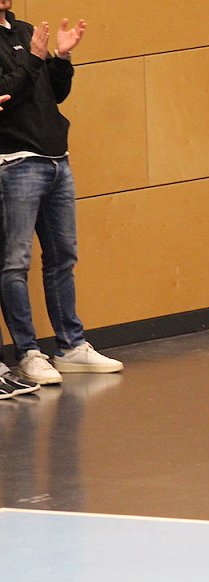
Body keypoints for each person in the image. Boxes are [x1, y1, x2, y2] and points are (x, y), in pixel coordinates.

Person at [0, 10, 124, 385]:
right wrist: (35, 58)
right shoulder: (27, 46)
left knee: (62, 257)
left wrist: (61, 59)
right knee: (14, 263)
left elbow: (55, 94)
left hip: (56, 159)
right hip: (15, 162)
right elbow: (6, 94)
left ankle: (71, 345)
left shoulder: (24, 31)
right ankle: (27, 353)